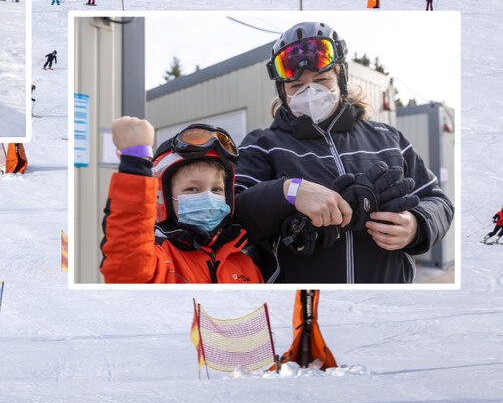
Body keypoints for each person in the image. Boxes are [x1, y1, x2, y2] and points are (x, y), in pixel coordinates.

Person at [233, 21, 454, 283]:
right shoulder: (262, 144)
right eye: (295, 86)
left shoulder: (387, 137)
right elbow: (231, 217)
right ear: (283, 92)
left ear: (341, 78)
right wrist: (287, 191)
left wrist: (417, 225)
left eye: (321, 79)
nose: (310, 92)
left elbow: (438, 201)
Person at [100, 117, 263, 284]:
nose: (208, 197)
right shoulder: (158, 259)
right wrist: (136, 160)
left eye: (216, 189)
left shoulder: (245, 265)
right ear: (162, 198)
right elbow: (127, 269)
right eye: (192, 189)